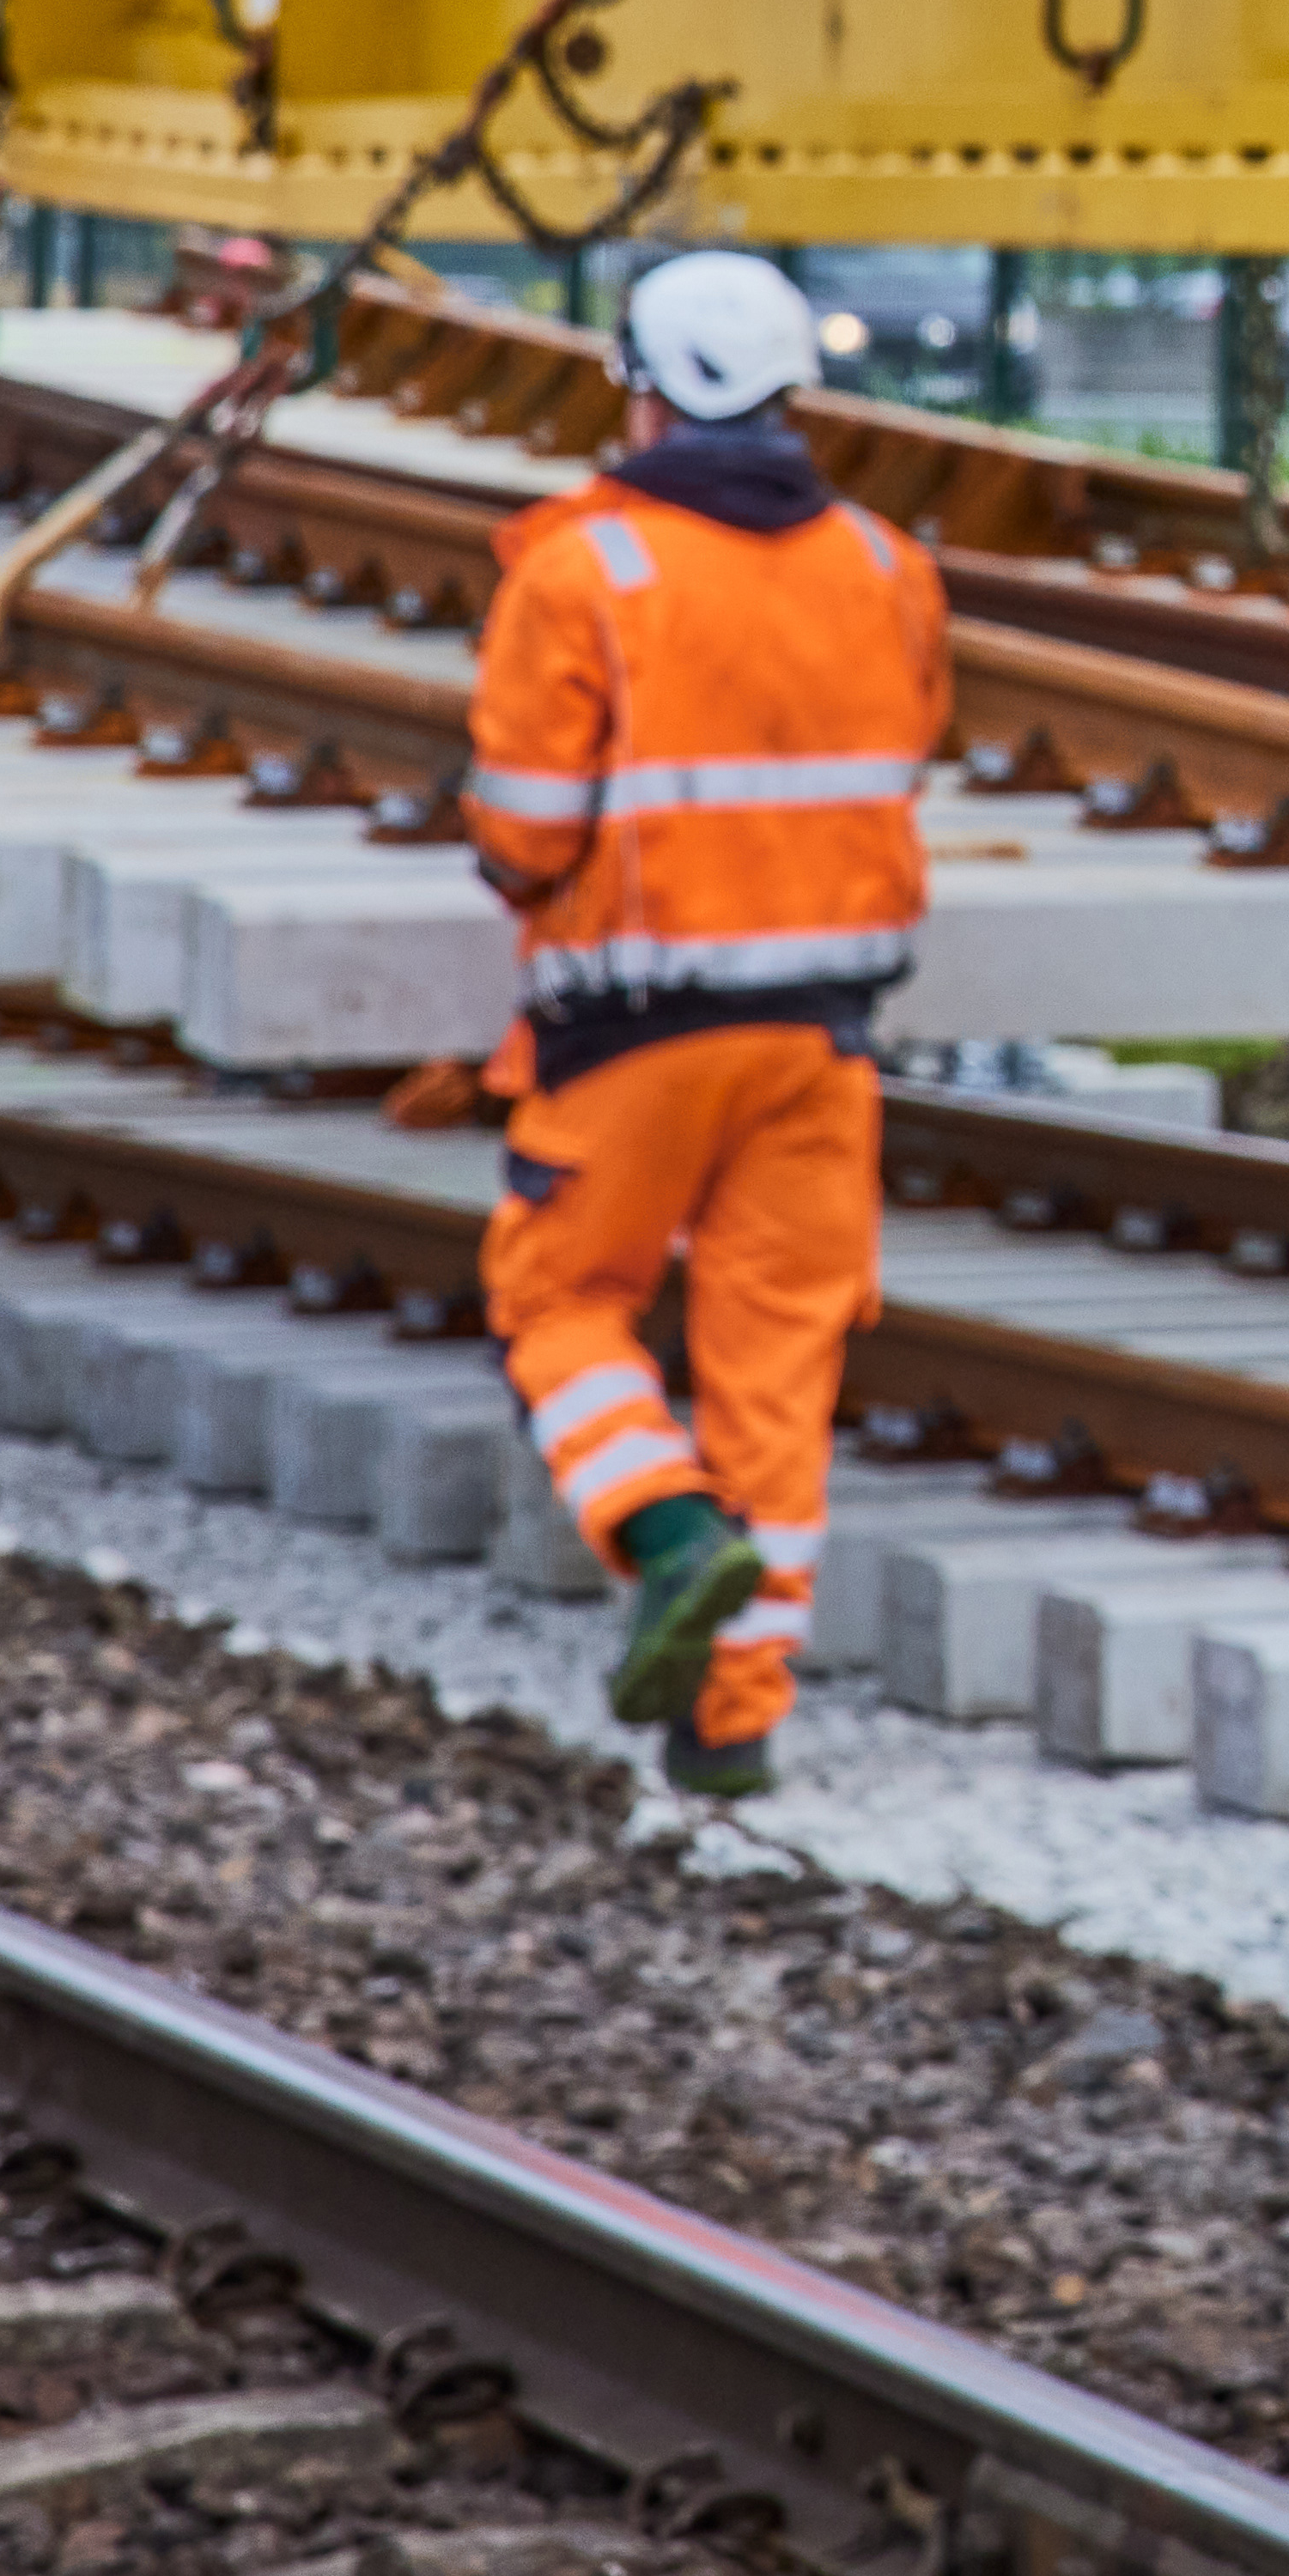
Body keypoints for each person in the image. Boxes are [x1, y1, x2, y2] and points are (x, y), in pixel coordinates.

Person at [435, 247, 949, 1800]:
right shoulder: (884, 566)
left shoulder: (584, 569)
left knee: (559, 1303)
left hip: (634, 1032)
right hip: (823, 1043)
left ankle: (666, 1530)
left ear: (642, 393)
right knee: (775, 1366)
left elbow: (524, 829)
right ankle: (731, 1728)